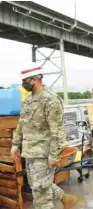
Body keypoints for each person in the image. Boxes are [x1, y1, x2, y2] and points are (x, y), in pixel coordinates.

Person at [11, 66, 77, 209]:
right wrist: (15, 144)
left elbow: (57, 131)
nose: (23, 84)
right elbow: (22, 122)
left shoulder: (51, 100)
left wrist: (54, 155)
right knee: (38, 185)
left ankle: (63, 200)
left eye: (25, 80)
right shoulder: (29, 99)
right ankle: (66, 199)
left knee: (40, 195)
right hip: (30, 152)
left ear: (35, 79)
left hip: (43, 153)